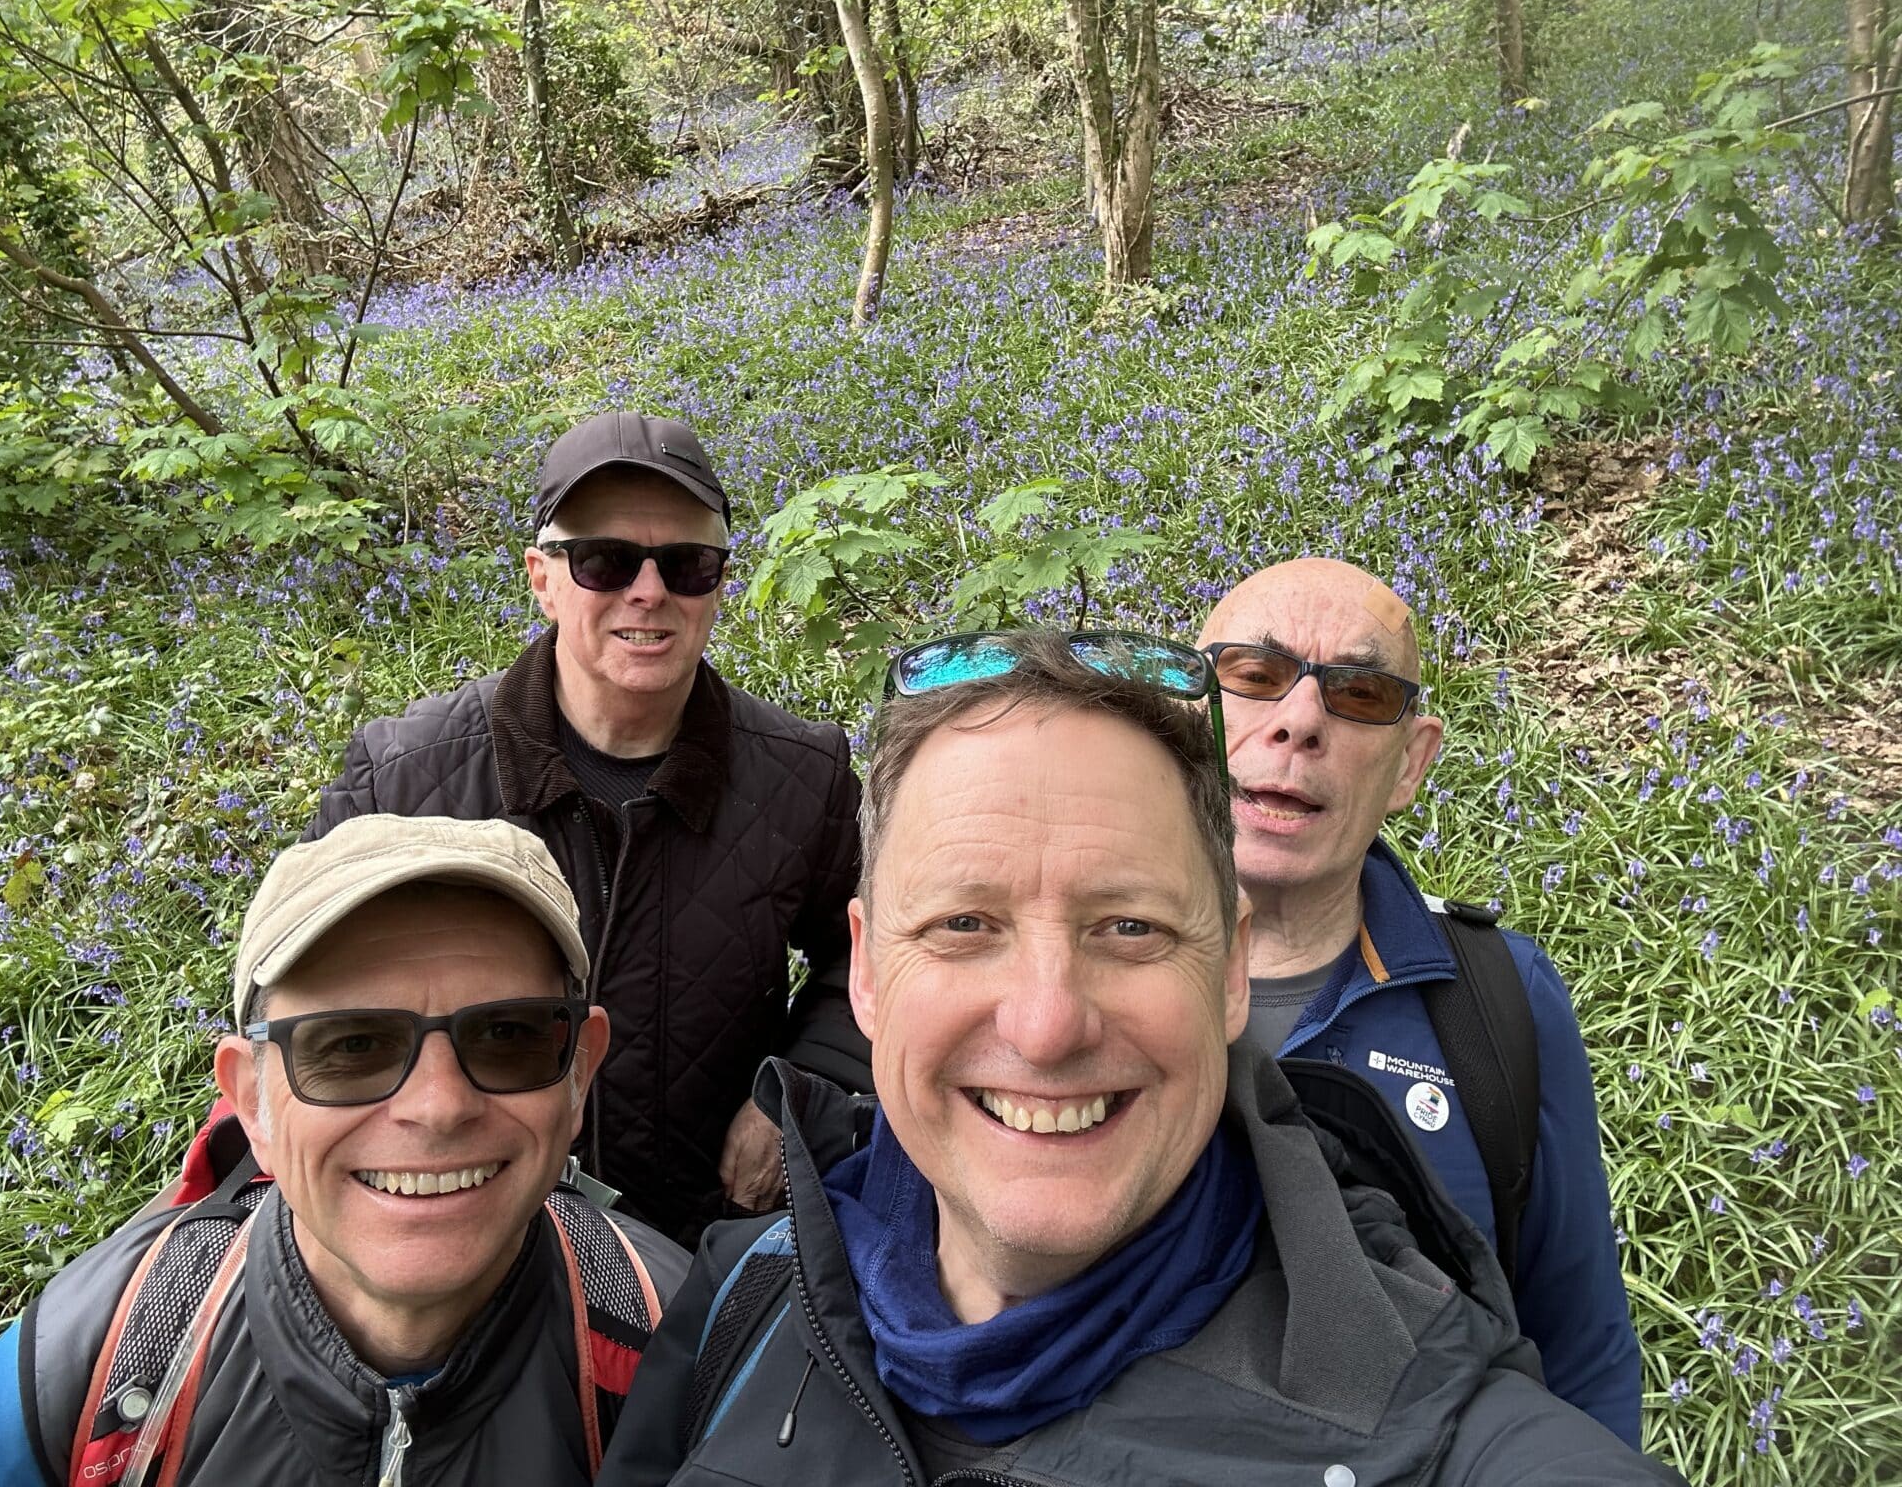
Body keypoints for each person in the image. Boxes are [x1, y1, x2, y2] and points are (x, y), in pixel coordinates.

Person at [598, 629, 1684, 1487]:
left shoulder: (1446, 1438)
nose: (1043, 1024)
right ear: (867, 977)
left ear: (1228, 979)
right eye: (962, 925)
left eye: (1129, 929)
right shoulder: (744, 1295)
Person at [0, 814, 688, 1487]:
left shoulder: (684, 1346)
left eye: (509, 1037)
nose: (438, 1107)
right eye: (353, 1046)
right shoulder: (79, 1375)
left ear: (580, 1069)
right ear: (250, 1098)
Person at [307, 411, 867, 1245]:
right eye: (605, 562)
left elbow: (877, 948)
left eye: (687, 565)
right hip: (476, 1236)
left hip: (704, 1237)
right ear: (543, 578)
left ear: (719, 584)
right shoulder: (405, 775)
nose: (650, 592)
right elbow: (305, 1003)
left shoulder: (801, 773)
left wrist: (795, 1091)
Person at [1196, 556, 1643, 1445]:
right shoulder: (1068, 976)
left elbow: (1579, 1345)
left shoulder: (1498, 996)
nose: (1299, 723)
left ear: (1410, 765)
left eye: (1359, 695)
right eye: (1253, 675)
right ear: (1183, 712)